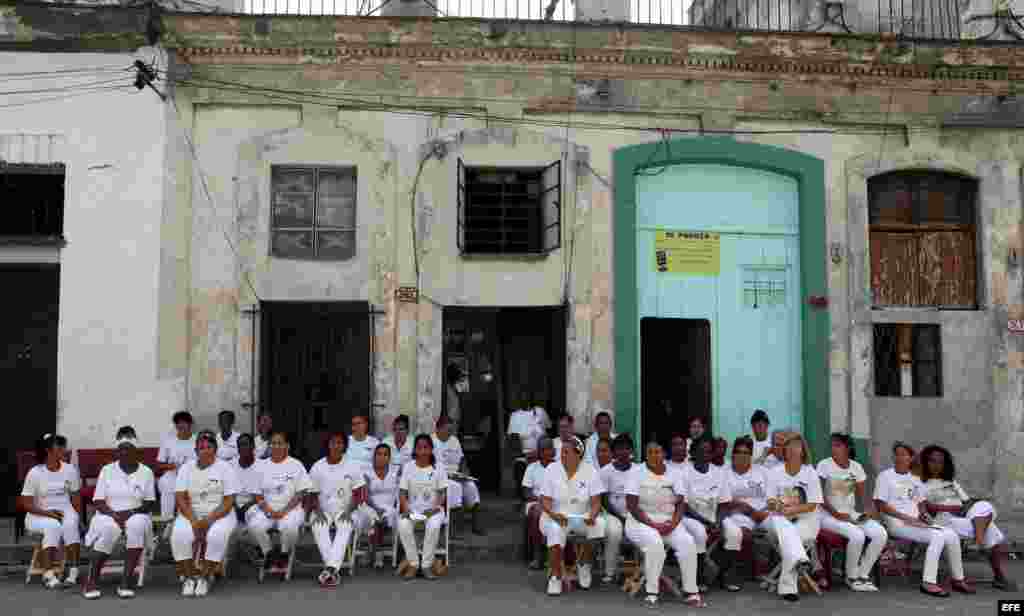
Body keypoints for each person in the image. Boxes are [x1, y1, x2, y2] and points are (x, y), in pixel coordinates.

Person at [874, 441, 972, 597]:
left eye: (904, 454)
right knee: (938, 536)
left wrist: (923, 514)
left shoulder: (915, 479)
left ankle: (958, 579)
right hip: (897, 522)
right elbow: (880, 504)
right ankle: (928, 583)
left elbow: (920, 503)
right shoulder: (885, 476)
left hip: (915, 523)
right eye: (897, 454)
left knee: (951, 535)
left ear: (911, 458)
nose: (900, 457)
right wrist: (906, 517)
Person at [919, 444, 1016, 590]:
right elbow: (929, 508)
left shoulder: (950, 481)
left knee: (985, 506)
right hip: (943, 520)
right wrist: (951, 508)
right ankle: (998, 575)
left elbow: (967, 502)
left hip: (964, 517)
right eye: (932, 461)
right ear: (925, 462)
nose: (936, 465)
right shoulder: (921, 483)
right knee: (990, 526)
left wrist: (964, 508)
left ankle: (978, 540)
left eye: (940, 461)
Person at [625, 441, 704, 608]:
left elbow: (681, 503)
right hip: (640, 522)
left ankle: (691, 591)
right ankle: (652, 593)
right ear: (646, 455)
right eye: (650, 452)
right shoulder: (636, 473)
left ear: (663, 454)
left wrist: (673, 524)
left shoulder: (675, 473)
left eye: (658, 452)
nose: (654, 456)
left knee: (687, 542)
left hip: (669, 521)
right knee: (655, 542)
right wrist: (652, 524)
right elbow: (632, 506)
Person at [82, 428, 156, 599]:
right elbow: (98, 501)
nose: (124, 453)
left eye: (128, 449)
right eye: (121, 449)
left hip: (136, 513)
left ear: (136, 452)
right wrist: (114, 514)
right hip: (108, 513)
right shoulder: (107, 470)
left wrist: (130, 512)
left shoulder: (146, 472)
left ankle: (126, 581)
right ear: (117, 452)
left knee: (137, 525)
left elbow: (149, 501)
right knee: (109, 529)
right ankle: (92, 580)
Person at [171, 430, 239, 598]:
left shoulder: (225, 468)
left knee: (217, 534)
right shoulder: (186, 468)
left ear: (215, 450)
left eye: (209, 447)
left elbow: (229, 500)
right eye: (201, 447)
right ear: (195, 451)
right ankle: (188, 578)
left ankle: (204, 577)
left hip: (220, 514)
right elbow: (180, 497)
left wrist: (208, 520)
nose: (205, 450)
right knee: (179, 534)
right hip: (191, 513)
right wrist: (194, 520)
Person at [816, 433, 886, 592]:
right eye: (832, 445)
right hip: (827, 514)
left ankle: (863, 575)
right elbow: (819, 497)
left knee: (880, 533)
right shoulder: (824, 465)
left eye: (838, 445)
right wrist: (836, 514)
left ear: (848, 448)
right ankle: (851, 577)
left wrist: (868, 512)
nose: (834, 449)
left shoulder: (856, 467)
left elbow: (863, 498)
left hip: (850, 513)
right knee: (857, 535)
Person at [539, 436, 606, 596]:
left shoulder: (590, 471)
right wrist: (554, 515)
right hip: (555, 516)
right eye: (561, 452)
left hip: (582, 516)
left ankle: (584, 564)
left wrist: (593, 515)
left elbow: (596, 502)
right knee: (555, 530)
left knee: (600, 525)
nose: (562, 456)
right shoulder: (551, 469)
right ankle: (555, 577)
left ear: (578, 454)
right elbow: (545, 501)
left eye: (566, 452)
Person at [18, 433, 83, 589]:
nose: (63, 449)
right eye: (58, 446)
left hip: (64, 511)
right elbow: (26, 504)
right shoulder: (35, 473)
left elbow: (75, 497)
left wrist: (78, 518)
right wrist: (49, 513)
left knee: (71, 523)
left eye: (63, 446)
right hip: (38, 514)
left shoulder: (70, 470)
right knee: (52, 525)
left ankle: (74, 571)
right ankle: (48, 574)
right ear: (48, 450)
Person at [763, 433, 822, 602]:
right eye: (789, 446)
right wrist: (779, 507)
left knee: (791, 537)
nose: (792, 450)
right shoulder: (775, 472)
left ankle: (788, 587)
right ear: (784, 451)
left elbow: (813, 504)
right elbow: (770, 500)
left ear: (803, 451)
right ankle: (801, 559)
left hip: (807, 519)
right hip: (780, 518)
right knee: (787, 529)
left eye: (796, 446)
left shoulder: (810, 472)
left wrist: (793, 510)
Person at [309, 432, 368, 588]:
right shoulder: (318, 466)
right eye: (333, 443)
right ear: (328, 445)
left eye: (340, 443)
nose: (337, 446)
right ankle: (333, 569)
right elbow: (312, 494)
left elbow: (359, 493)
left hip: (346, 508)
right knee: (318, 526)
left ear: (344, 446)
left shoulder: (352, 465)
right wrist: (318, 511)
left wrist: (349, 511)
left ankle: (330, 569)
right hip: (323, 509)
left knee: (345, 526)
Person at [247, 431, 313, 571]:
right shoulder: (260, 466)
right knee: (255, 525)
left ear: (287, 446)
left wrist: (284, 511)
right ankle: (268, 553)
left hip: (290, 508)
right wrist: (269, 510)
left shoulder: (296, 465)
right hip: (266, 508)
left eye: (279, 443)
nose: (276, 446)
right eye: (273, 443)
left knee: (289, 527)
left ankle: (284, 554)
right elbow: (257, 494)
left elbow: (301, 492)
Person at [679, 435, 735, 591]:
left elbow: (724, 504)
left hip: (714, 515)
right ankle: (699, 578)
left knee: (734, 532)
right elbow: (684, 506)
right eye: (701, 451)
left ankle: (723, 577)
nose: (705, 455)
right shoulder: (684, 473)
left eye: (709, 452)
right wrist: (707, 523)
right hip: (690, 517)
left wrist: (718, 521)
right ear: (693, 453)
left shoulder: (719, 473)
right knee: (699, 533)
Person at [720, 436, 771, 592]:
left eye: (746, 452)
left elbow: (772, 497)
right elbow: (727, 502)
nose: (742, 455)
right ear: (733, 454)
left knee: (782, 528)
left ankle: (788, 569)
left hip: (763, 513)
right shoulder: (725, 473)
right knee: (741, 532)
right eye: (739, 452)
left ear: (751, 455)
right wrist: (749, 510)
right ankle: (737, 572)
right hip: (738, 514)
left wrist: (762, 512)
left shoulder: (762, 472)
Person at [397, 434, 449, 580]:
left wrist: (435, 508)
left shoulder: (438, 467)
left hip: (434, 510)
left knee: (433, 526)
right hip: (413, 510)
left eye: (426, 447)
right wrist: (406, 509)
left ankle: (426, 565)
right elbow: (402, 492)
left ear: (431, 449)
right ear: (415, 450)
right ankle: (413, 564)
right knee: (402, 524)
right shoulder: (408, 467)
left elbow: (442, 492)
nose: (423, 451)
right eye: (419, 447)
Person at [599, 434, 640, 585]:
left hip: (635, 514)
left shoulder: (639, 470)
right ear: (614, 452)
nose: (623, 452)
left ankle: (644, 571)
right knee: (614, 532)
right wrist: (620, 517)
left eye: (626, 448)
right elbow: (603, 500)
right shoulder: (605, 471)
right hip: (611, 514)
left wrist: (633, 516)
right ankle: (610, 572)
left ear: (631, 450)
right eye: (619, 449)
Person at [432, 416, 483, 535]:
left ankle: (476, 525)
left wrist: (465, 471)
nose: (449, 433)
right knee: (455, 487)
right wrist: (447, 476)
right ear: (438, 429)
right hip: (440, 478)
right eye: (447, 430)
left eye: (451, 430)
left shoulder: (454, 440)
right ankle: (454, 529)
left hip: (456, 475)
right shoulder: (431, 441)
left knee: (471, 487)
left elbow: (462, 459)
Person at [523, 437, 557, 570]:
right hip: (536, 501)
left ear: (554, 451)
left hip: (556, 502)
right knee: (537, 513)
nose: (546, 452)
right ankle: (538, 556)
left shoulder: (559, 467)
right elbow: (526, 493)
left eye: (549, 448)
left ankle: (553, 555)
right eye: (543, 449)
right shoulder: (532, 468)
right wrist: (542, 501)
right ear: (539, 452)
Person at [156, 412, 197, 520]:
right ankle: (166, 519)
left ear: (190, 424)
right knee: (166, 484)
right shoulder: (168, 440)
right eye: (178, 423)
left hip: (193, 475)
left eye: (184, 422)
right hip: (172, 474)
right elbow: (159, 464)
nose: (181, 425)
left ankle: (184, 520)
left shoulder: (197, 440)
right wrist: (172, 466)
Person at [364, 443, 400, 562]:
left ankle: (373, 550)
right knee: (374, 517)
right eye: (379, 454)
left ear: (389, 457)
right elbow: (366, 495)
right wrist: (376, 508)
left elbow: (401, 493)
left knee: (385, 516)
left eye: (385, 454)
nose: (382, 457)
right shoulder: (367, 472)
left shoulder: (396, 472)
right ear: (374, 456)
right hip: (370, 506)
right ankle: (377, 551)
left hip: (389, 507)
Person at [231, 434, 262, 539]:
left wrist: (247, 506)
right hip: (233, 504)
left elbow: (265, 493)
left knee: (256, 524)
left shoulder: (262, 465)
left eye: (245, 444)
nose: (242, 448)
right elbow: (226, 490)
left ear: (253, 446)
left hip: (255, 504)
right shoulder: (230, 465)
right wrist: (234, 506)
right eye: (240, 445)